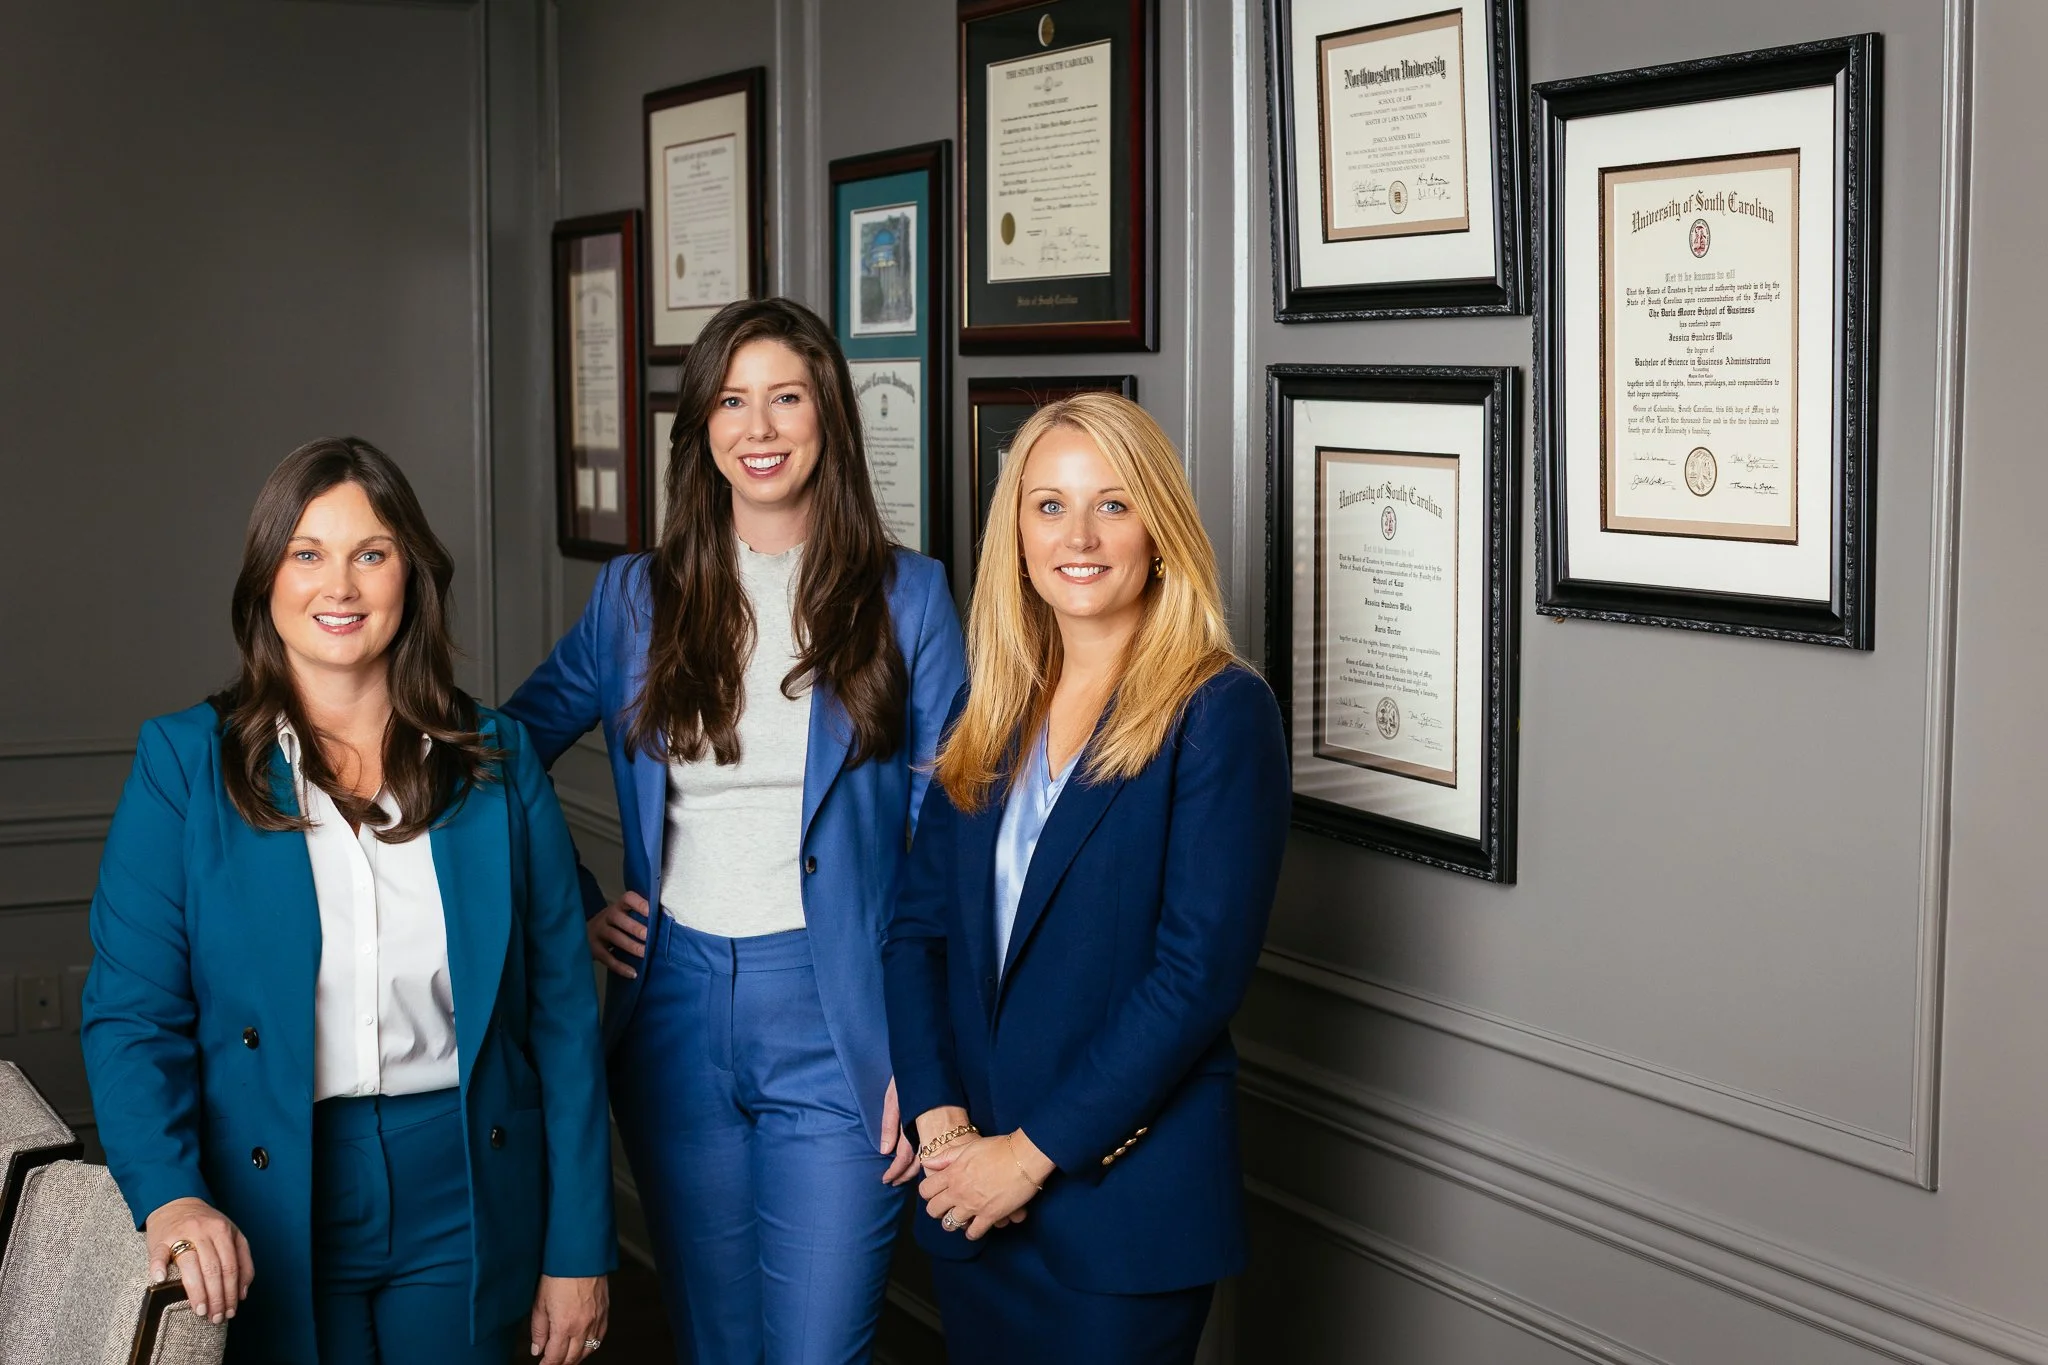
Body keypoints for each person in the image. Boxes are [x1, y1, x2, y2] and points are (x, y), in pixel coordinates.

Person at [80, 438, 616, 1365]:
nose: (341, 585)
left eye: (371, 552)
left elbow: (562, 1018)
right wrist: (170, 1192)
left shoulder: (497, 758)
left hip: (466, 1180)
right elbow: (132, 1014)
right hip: (267, 1189)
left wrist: (578, 1245)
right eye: (307, 553)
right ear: (267, 579)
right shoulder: (183, 764)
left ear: (412, 574)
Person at [503, 296, 966, 1363]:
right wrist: (573, 909)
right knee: (715, 1343)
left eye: (785, 398)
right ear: (702, 427)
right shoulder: (634, 598)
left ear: (828, 416)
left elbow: (951, 832)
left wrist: (924, 1050)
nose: (758, 428)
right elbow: (500, 752)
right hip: (669, 1007)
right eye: (730, 401)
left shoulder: (910, 597)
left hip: (840, 1015)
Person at [883, 393, 1290, 1364]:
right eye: (1049, 505)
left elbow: (1194, 979)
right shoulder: (990, 705)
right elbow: (916, 931)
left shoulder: (1219, 711)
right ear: (1017, 533)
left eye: (1112, 504)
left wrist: (1024, 1160)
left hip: (1117, 1217)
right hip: (969, 1200)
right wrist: (943, 1131)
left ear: (1159, 527)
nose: (1079, 537)